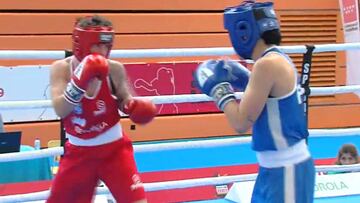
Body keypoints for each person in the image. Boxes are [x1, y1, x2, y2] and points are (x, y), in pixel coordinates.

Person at [194, 1, 315, 203]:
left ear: (244, 30)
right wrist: (245, 80)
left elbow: (241, 122)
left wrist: (219, 90)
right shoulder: (275, 60)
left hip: (286, 171)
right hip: (276, 170)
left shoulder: (267, 65)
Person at [48, 15, 157, 203]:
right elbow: (60, 109)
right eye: (97, 45)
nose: (103, 51)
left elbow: (125, 98)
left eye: (106, 45)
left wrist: (133, 106)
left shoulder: (114, 69)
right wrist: (79, 83)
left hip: (115, 151)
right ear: (80, 43)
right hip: (78, 154)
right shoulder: (61, 69)